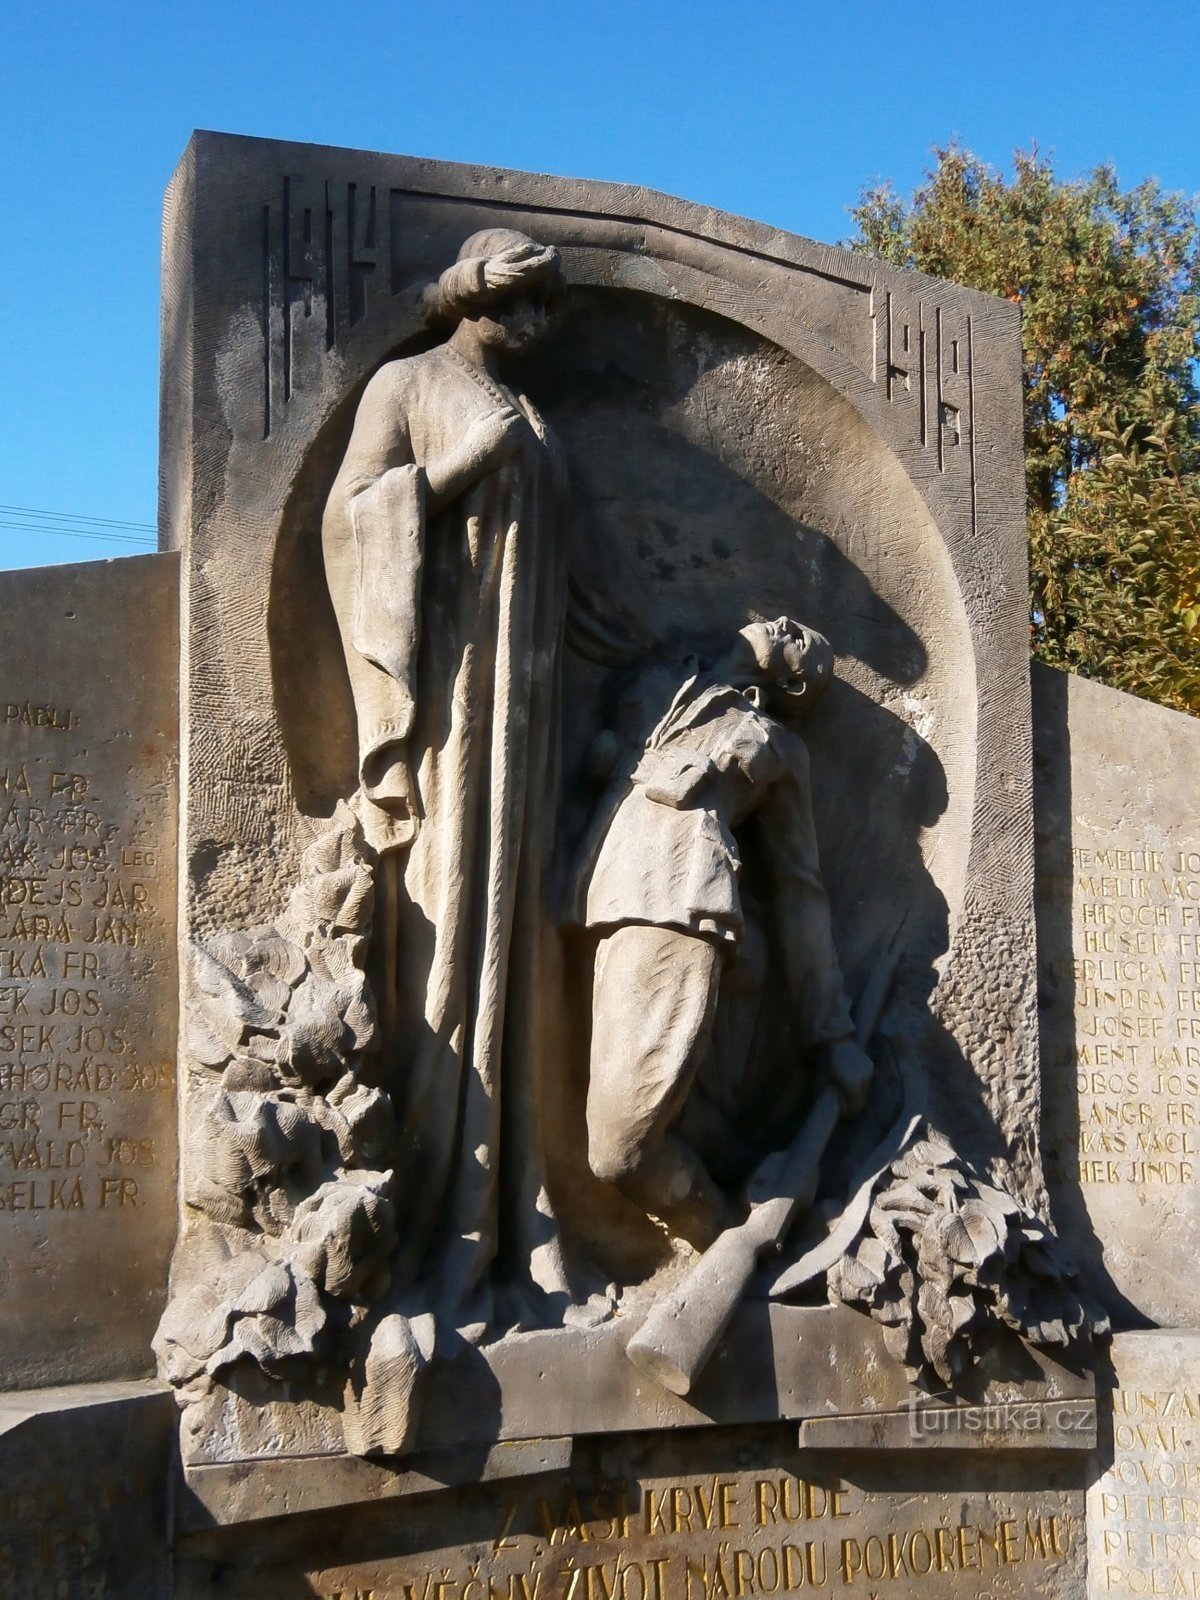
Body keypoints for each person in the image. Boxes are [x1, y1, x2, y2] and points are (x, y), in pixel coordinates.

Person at [322, 230, 572, 1333]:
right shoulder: (408, 384)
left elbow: (571, 577)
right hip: (449, 722)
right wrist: (463, 467)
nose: (543, 332)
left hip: (531, 716)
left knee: (523, 967)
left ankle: (525, 1223)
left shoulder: (537, 416)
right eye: (531, 309)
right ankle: (431, 1224)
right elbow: (350, 517)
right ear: (483, 301)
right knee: (445, 951)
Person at [569, 618, 873, 1249]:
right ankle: (746, 1180)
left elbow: (800, 892)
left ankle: (722, 1239)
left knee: (618, 1149)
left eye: (803, 643)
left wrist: (832, 1035)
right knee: (626, 1117)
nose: (788, 625)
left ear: (790, 684)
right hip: (602, 908)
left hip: (679, 904)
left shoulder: (778, 747)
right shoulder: (665, 685)